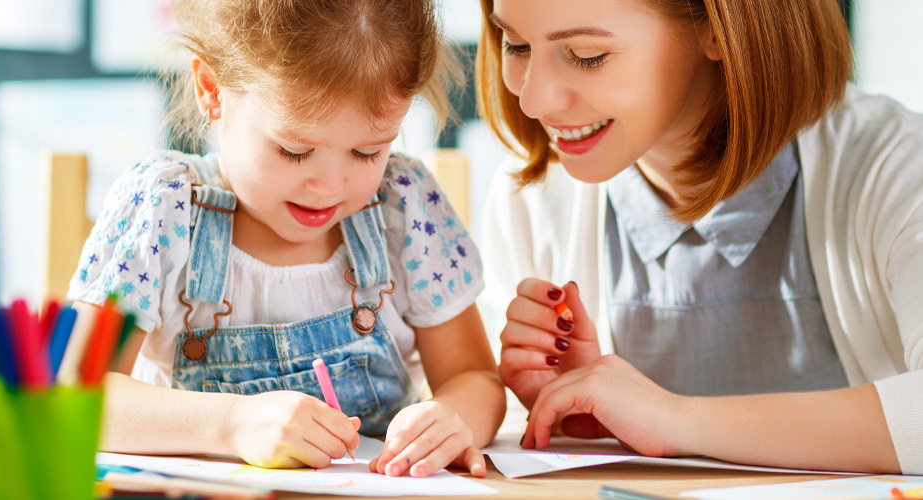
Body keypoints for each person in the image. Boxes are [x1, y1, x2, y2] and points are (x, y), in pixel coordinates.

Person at [59, 0, 505, 477]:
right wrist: (231, 424)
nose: (330, 186)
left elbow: (474, 377)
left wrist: (455, 418)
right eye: (295, 151)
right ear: (212, 89)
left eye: (367, 151)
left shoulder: (403, 206)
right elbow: (76, 398)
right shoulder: (163, 207)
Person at [476, 0, 923, 475]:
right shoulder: (531, 201)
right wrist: (578, 413)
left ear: (717, 30)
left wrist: (673, 420)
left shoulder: (897, 170)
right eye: (517, 45)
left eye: (586, 55)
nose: (534, 99)